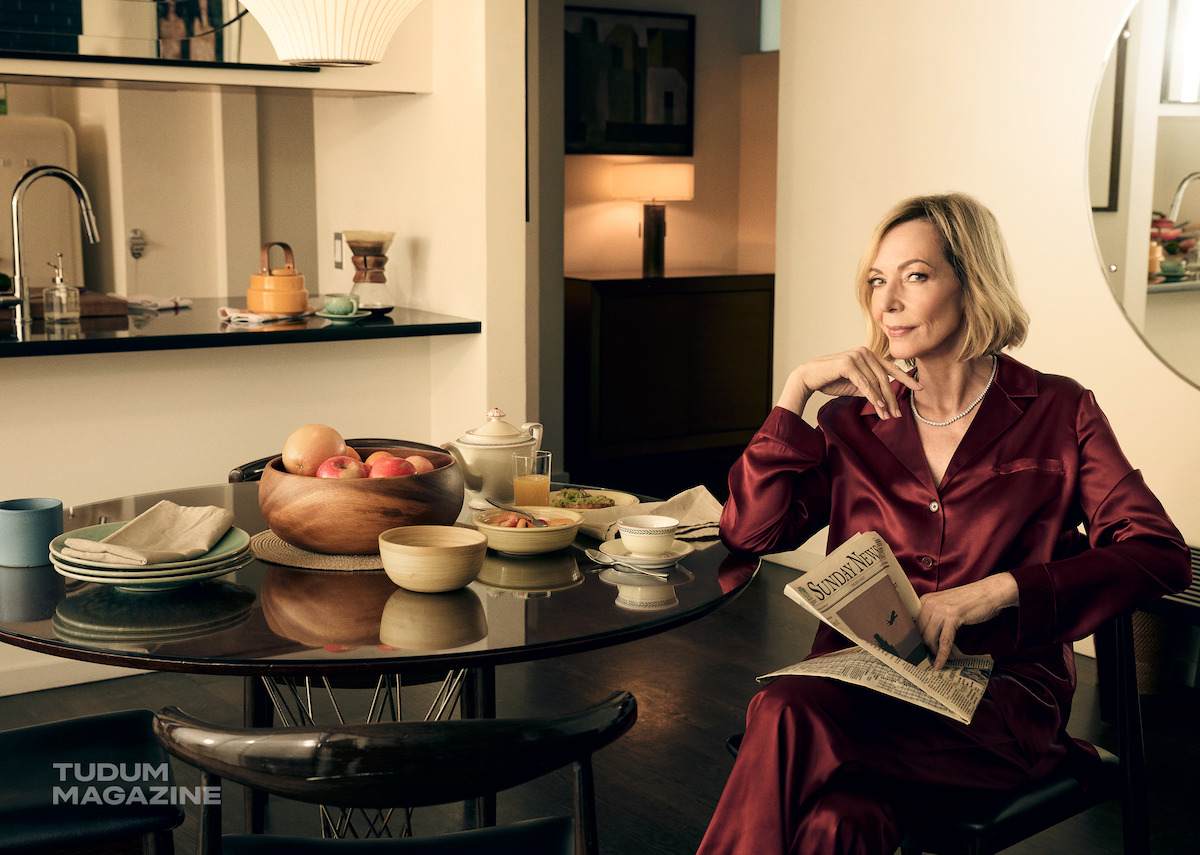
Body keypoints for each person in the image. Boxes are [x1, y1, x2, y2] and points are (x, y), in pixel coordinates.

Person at [696, 193, 1191, 855]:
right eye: (877, 280)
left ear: (971, 284)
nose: (887, 302)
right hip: (864, 690)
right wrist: (796, 389)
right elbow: (751, 533)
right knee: (839, 822)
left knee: (783, 709)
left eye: (916, 276)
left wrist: (995, 589)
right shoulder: (851, 421)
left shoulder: (1060, 409)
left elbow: (1158, 551)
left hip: (998, 700)